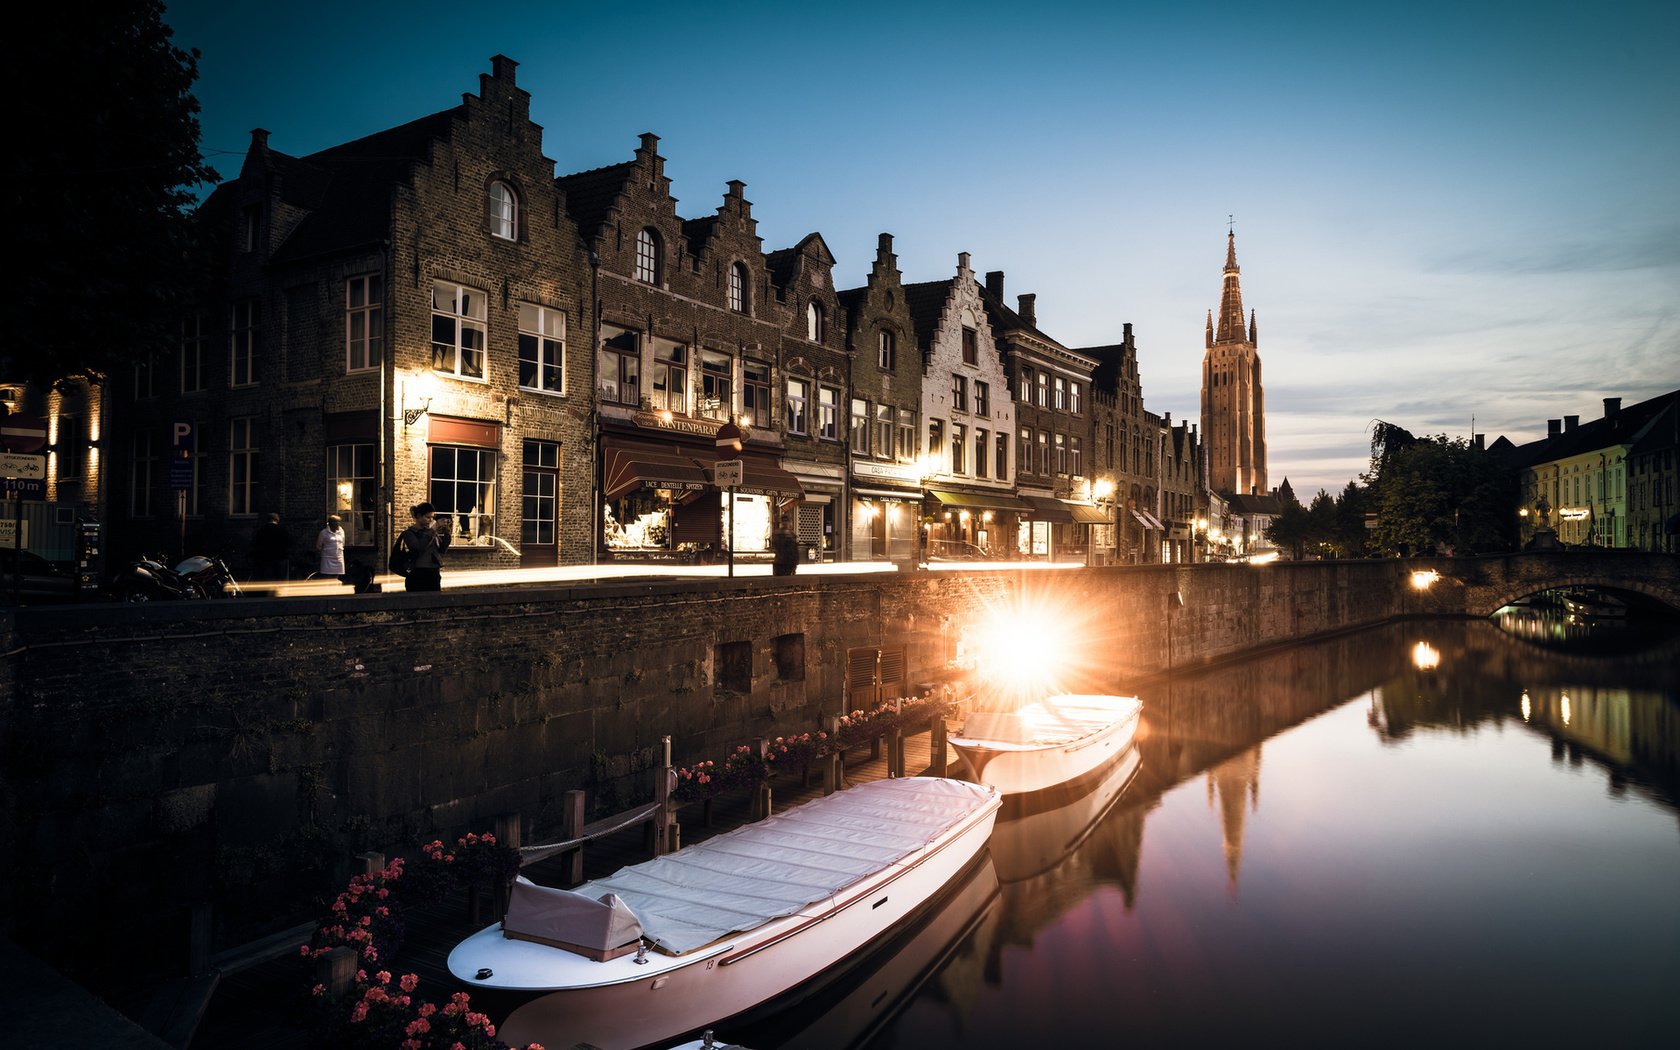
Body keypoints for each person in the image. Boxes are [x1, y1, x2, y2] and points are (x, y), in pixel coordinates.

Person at [398, 502, 450, 592]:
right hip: (418, 573)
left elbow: (442, 550)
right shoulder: (409, 533)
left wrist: (447, 533)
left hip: (433, 573)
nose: (430, 520)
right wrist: (434, 528)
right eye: (428, 517)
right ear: (418, 516)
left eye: (432, 517)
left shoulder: (431, 532)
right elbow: (418, 547)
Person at [249, 513, 291, 580]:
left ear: (267, 520)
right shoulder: (283, 530)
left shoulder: (261, 530)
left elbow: (256, 544)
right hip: (281, 559)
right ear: (277, 520)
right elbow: (289, 544)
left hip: (266, 559)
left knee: (267, 580)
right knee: (281, 580)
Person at [316, 514, 346, 579]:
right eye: (336, 522)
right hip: (327, 559)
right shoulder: (323, 533)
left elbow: (343, 543)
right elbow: (319, 545)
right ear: (331, 523)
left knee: (337, 577)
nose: (338, 524)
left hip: (339, 558)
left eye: (339, 522)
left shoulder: (341, 532)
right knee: (327, 577)